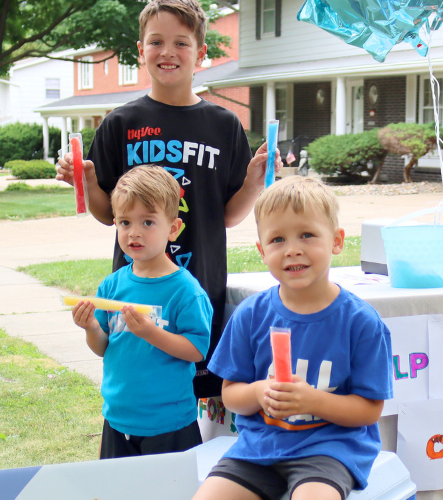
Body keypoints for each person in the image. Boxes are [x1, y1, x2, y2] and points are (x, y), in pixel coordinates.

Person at [56, 0, 281, 398]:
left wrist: (252, 184)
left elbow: (229, 216)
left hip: (198, 284)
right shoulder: (120, 124)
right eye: (156, 42)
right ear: (141, 51)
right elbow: (108, 214)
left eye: (181, 42)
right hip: (136, 287)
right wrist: (87, 182)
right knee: (139, 379)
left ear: (202, 53)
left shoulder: (224, 125)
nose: (168, 52)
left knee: (194, 393)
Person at [192, 176, 393, 500]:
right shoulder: (251, 315)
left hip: (329, 451)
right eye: (277, 240)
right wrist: (259, 391)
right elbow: (230, 396)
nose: (293, 250)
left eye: (307, 235)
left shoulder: (360, 322)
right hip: (258, 449)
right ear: (261, 250)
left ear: (337, 241)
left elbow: (369, 409)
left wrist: (312, 401)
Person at [70, 165, 213, 458]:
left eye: (148, 222)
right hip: (118, 418)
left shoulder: (186, 291)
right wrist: (91, 328)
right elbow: (102, 347)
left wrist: (151, 332)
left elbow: (196, 350)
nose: (134, 232)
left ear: (173, 229)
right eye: (124, 222)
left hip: (169, 424)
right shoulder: (112, 285)